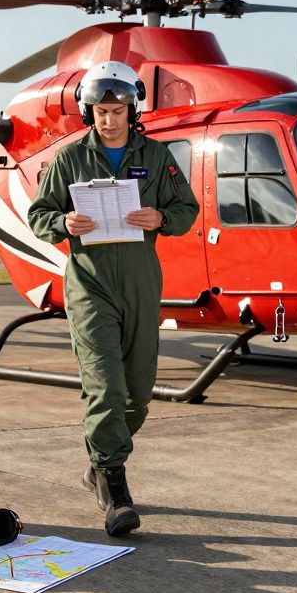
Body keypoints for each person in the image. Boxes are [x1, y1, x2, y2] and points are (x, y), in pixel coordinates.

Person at [27, 60, 200, 536]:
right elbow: (39, 212)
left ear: (132, 109)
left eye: (117, 110)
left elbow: (187, 209)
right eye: (101, 111)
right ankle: (114, 485)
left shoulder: (159, 156)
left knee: (137, 395)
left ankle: (98, 464)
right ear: (89, 112)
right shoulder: (68, 159)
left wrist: (160, 219)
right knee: (104, 384)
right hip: (90, 282)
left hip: (142, 280)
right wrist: (63, 223)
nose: (109, 119)